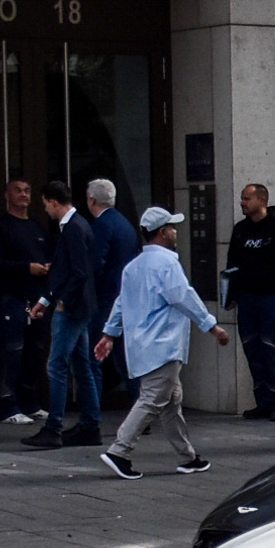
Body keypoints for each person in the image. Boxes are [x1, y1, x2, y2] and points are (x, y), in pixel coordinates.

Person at [93, 206, 230, 478]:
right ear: (163, 232)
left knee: (170, 401)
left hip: (142, 345)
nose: (175, 231)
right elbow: (183, 296)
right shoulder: (167, 264)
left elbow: (121, 303)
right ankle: (119, 450)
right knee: (154, 399)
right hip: (164, 344)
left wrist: (109, 334)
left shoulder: (133, 267)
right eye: (172, 227)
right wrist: (211, 326)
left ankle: (187, 456)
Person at [23, 180, 101, 450]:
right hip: (79, 305)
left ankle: (54, 426)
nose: (45, 209)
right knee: (81, 366)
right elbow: (71, 270)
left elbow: (78, 272)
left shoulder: (73, 229)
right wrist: (46, 299)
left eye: (45, 204)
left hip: (72, 308)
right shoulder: (76, 226)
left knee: (56, 366)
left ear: (53, 201)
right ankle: (90, 424)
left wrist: (61, 301)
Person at [225, 182, 275, 419]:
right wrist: (231, 294)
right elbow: (232, 265)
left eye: (247, 199)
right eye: (242, 199)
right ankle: (262, 402)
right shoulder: (240, 230)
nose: (243, 203)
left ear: (262, 200)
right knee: (253, 350)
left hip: (271, 298)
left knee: (272, 350)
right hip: (247, 299)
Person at [0, 178, 50, 422]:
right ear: (7, 195)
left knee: (34, 351)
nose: (23, 195)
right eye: (18, 190)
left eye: (27, 190)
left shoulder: (36, 227)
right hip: (12, 296)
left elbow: (48, 254)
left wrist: (46, 267)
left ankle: (30, 402)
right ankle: (8, 406)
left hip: (37, 299)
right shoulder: (0, 228)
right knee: (13, 349)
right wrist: (27, 268)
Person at [85, 180, 140, 406]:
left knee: (93, 359)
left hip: (105, 300)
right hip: (124, 298)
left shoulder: (102, 226)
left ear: (91, 200)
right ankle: (140, 411)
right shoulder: (125, 224)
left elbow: (96, 264)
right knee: (124, 360)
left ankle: (92, 414)